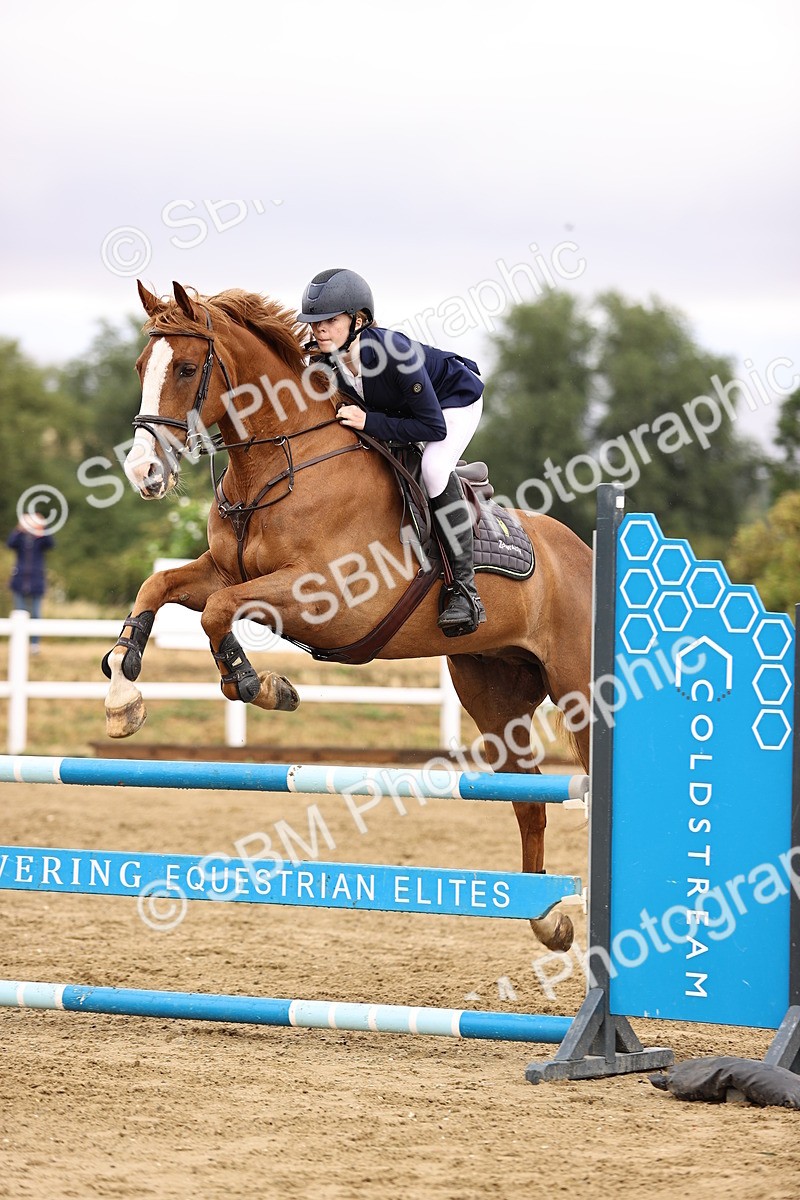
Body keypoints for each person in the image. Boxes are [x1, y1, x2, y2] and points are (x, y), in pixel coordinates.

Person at [299, 268, 486, 637]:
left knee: (433, 467)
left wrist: (370, 423)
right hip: (402, 412)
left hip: (454, 402)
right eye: (314, 322)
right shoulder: (322, 361)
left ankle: (464, 590)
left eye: (330, 321)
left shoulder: (393, 353)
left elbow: (433, 428)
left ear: (359, 320)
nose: (319, 329)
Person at [7, 513, 54, 652]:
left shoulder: (40, 539)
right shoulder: (20, 537)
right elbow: (10, 543)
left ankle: (34, 644)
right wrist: (19, 528)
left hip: (36, 581)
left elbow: (51, 543)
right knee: (19, 613)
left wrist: (42, 527)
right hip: (20, 580)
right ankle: (19, 642)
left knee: (36, 614)